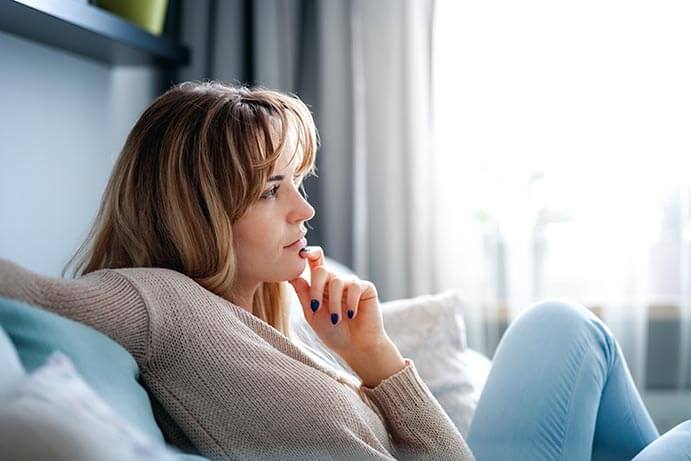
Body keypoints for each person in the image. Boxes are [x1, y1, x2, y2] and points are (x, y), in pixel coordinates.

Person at [1, 80, 690, 460]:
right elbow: (26, 291)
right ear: (197, 207)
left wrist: (372, 356)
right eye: (271, 189)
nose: (303, 208)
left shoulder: (276, 324)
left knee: (564, 327)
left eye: (298, 180)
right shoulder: (157, 301)